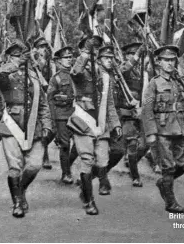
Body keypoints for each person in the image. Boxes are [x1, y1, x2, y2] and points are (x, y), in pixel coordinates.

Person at [0, 40, 52, 218]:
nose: (20, 58)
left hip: (33, 125)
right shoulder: (5, 74)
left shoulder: (34, 75)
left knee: (35, 164)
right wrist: (16, 63)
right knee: (14, 167)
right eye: (16, 55)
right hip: (12, 124)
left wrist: (47, 125)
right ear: (9, 57)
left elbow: (43, 104)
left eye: (22, 55)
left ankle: (20, 190)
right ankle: (17, 202)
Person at [69, 42, 121, 216]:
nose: (110, 61)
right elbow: (75, 72)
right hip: (83, 124)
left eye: (112, 59)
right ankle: (88, 200)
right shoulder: (84, 72)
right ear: (98, 59)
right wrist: (85, 52)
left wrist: (116, 124)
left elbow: (110, 104)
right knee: (87, 160)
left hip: (102, 125)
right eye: (106, 58)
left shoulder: (108, 78)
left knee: (102, 162)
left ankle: (84, 187)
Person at [142, 45, 184, 214]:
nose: (170, 63)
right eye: (166, 60)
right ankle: (170, 202)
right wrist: (150, 133)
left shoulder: (179, 82)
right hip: (162, 128)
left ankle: (164, 182)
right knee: (168, 166)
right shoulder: (154, 83)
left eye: (172, 60)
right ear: (159, 63)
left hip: (181, 127)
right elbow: (147, 109)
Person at [118, 42, 148, 187]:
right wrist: (136, 57)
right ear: (126, 55)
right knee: (132, 144)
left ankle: (131, 162)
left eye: (135, 53)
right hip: (128, 112)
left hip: (143, 112)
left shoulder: (143, 70)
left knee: (145, 145)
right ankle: (135, 176)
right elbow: (125, 70)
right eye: (131, 54)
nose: (134, 57)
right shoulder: (122, 69)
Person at [47, 45, 76, 184]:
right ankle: (66, 173)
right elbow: (50, 101)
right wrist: (53, 122)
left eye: (71, 57)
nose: (69, 60)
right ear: (59, 61)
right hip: (62, 115)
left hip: (78, 114)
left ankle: (67, 164)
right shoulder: (56, 78)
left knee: (81, 144)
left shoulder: (77, 74)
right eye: (66, 57)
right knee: (65, 144)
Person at [32, 36, 54, 170]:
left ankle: (43, 149)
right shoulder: (34, 61)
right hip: (36, 95)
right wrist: (37, 60)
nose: (43, 49)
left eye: (45, 47)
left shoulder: (51, 63)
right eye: (40, 47)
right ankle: (44, 155)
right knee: (39, 125)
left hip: (49, 95)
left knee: (51, 127)